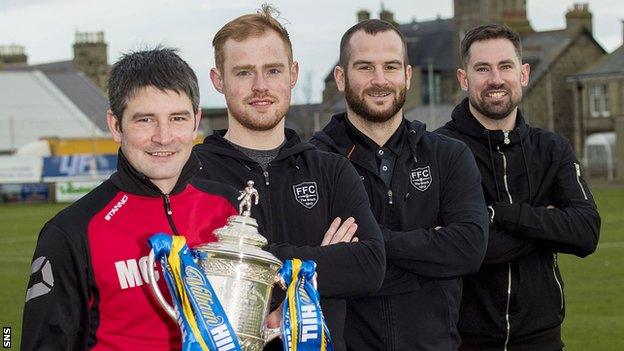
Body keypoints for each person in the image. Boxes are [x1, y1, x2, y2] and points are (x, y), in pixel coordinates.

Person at [192, 5, 385, 350]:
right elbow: (195, 272)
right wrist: (318, 264)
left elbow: (369, 266)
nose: (261, 86)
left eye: (273, 70)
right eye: (244, 73)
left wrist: (247, 260)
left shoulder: (331, 170)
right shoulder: (193, 174)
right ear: (218, 80)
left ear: (293, 73)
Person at [21, 48, 240, 350]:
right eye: (145, 120)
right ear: (115, 125)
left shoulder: (233, 210)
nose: (164, 137)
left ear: (195, 121)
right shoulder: (72, 232)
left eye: (177, 118)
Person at [311, 19, 489, 350]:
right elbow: (313, 268)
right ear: (341, 77)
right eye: (365, 67)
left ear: (407, 75)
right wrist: (431, 259)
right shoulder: (313, 163)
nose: (380, 80)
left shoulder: (447, 155)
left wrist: (365, 251)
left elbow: (468, 250)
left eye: (390, 67)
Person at [436, 24, 601, 351]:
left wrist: (499, 215)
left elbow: (585, 231)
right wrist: (546, 225)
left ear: (523, 73)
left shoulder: (553, 149)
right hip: (462, 341)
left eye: (505, 66)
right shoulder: (439, 149)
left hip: (543, 339)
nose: (495, 79)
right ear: (463, 78)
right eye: (482, 68)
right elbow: (458, 250)